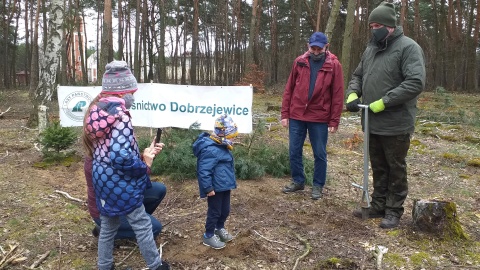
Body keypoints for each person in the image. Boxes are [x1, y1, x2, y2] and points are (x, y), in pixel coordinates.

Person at [345, 2, 426, 229]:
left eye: (378, 25)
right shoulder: (371, 48)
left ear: (390, 25)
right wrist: (352, 93)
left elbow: (415, 82)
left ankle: (394, 210)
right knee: (378, 166)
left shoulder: (408, 48)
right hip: (371, 121)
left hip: (396, 122)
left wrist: (385, 101)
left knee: (395, 167)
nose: (374, 29)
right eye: (371, 25)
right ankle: (378, 204)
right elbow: (358, 75)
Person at [82, 60, 169, 270]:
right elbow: (121, 157)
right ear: (125, 92)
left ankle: (105, 266)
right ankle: (156, 266)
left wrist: (140, 154)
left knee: (109, 227)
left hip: (103, 181)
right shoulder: (121, 117)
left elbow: (111, 152)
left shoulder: (96, 114)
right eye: (133, 91)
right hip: (121, 183)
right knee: (142, 224)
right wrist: (143, 165)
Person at [281, 32, 344, 200]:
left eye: (319, 49)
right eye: (312, 48)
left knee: (319, 153)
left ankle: (317, 185)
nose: (315, 52)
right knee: (294, 150)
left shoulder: (334, 65)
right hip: (297, 114)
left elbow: (337, 94)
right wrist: (285, 113)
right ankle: (298, 181)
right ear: (308, 46)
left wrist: (334, 119)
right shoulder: (299, 62)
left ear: (326, 47)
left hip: (319, 117)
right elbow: (289, 89)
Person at [192, 115, 238, 249]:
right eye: (231, 136)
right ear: (223, 134)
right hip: (215, 188)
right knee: (215, 211)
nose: (234, 138)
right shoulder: (210, 149)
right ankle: (209, 235)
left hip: (225, 186)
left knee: (225, 210)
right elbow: (204, 170)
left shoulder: (222, 146)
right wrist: (208, 188)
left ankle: (219, 227)